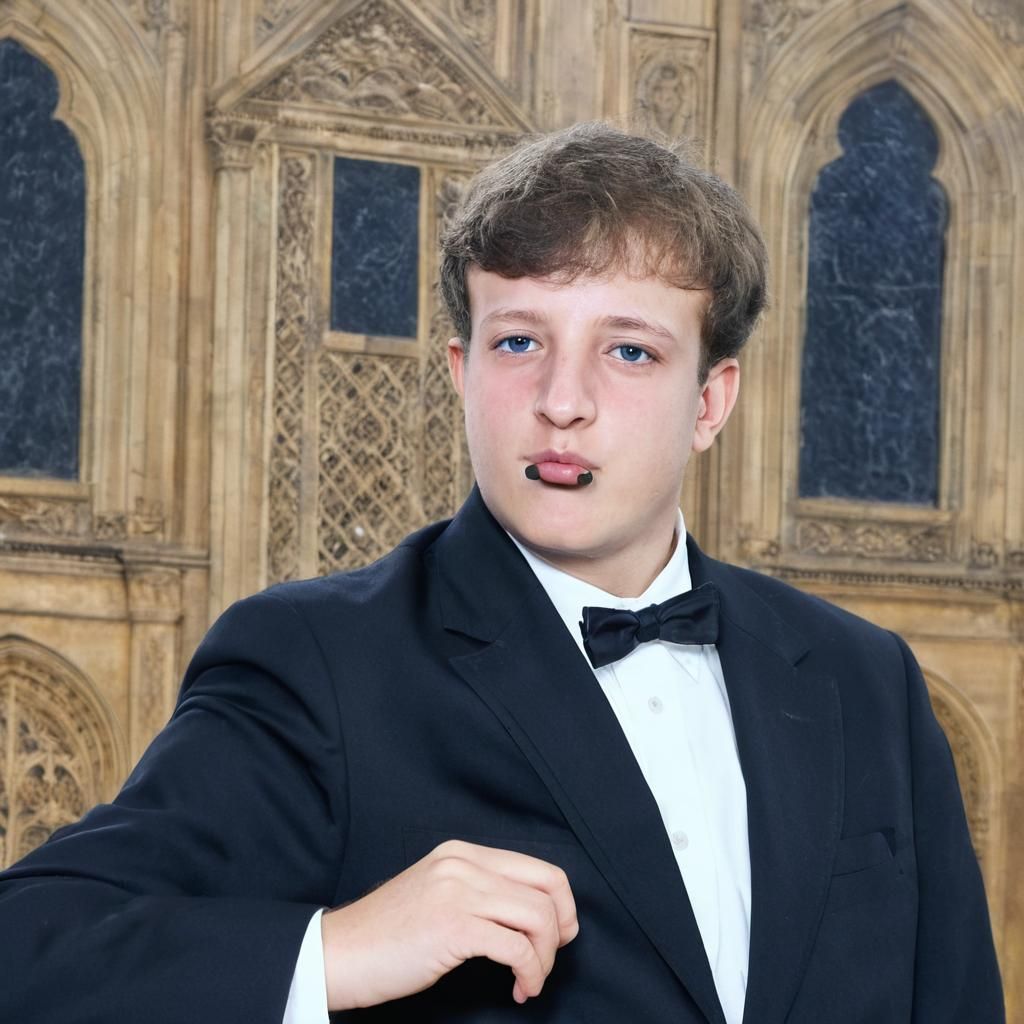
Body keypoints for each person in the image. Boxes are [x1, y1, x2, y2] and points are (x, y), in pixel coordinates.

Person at [0, 123, 1003, 1023]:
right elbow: (28, 951)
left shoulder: (868, 679)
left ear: (710, 401)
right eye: (519, 341)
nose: (562, 400)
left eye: (629, 352)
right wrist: (332, 952)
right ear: (462, 371)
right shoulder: (317, 663)